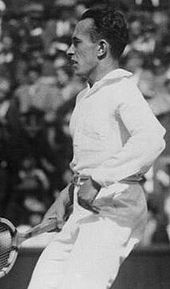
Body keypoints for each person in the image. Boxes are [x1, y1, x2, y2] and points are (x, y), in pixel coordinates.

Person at [27, 7, 166, 289]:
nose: (68, 51)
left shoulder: (123, 89)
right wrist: (64, 197)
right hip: (82, 209)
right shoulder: (84, 97)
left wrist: (99, 179)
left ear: (101, 48)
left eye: (77, 42)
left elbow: (152, 138)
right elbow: (90, 161)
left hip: (114, 210)